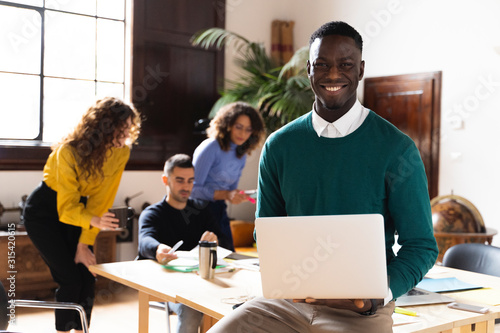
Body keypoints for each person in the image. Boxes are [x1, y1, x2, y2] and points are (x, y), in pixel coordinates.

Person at [207, 21, 438, 333]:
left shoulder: (396, 149)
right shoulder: (280, 146)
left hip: (361, 310)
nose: (332, 75)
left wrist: (376, 296)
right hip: (288, 302)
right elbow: (267, 231)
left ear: (360, 70)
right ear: (308, 70)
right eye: (322, 65)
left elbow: (421, 245)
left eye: (345, 64)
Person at [23, 97, 141, 333]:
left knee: (87, 277)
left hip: (83, 210)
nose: (126, 136)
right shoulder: (68, 152)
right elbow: (66, 208)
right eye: (121, 129)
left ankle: (82, 331)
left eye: (129, 129)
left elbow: (102, 200)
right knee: (70, 279)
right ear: (104, 127)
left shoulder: (121, 153)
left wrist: (84, 243)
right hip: (45, 213)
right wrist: (93, 220)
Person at [138, 154, 222, 333]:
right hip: (167, 284)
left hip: (203, 282)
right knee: (191, 308)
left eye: (190, 181)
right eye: (180, 180)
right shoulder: (152, 213)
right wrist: (158, 248)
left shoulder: (201, 210)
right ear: (165, 180)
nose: (186, 186)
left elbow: (224, 242)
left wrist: (216, 241)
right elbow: (145, 240)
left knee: (233, 305)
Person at [191, 102, 266, 251]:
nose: (242, 134)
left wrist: (237, 195)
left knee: (229, 256)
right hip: (197, 212)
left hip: (219, 210)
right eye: (238, 127)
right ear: (227, 124)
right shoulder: (210, 147)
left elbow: (230, 191)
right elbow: (192, 190)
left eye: (248, 130)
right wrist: (226, 194)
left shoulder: (241, 155)